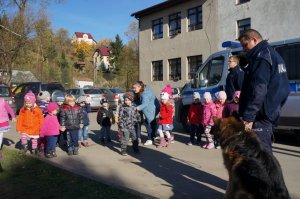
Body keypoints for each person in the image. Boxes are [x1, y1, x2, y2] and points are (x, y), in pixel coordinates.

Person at [238, 29, 290, 153]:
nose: (244, 49)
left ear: (254, 40)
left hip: (260, 115)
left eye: (245, 45)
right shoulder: (272, 54)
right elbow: (285, 89)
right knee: (262, 155)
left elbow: (258, 90)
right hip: (266, 112)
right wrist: (274, 107)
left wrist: (249, 117)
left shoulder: (262, 57)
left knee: (261, 156)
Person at [133, 81, 160, 146]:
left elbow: (145, 103)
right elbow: (139, 100)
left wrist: (137, 108)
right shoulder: (142, 90)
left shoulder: (145, 94)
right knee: (152, 122)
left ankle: (150, 139)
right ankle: (154, 135)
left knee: (148, 122)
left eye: (134, 88)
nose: (133, 89)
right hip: (151, 108)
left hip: (153, 108)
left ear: (139, 87)